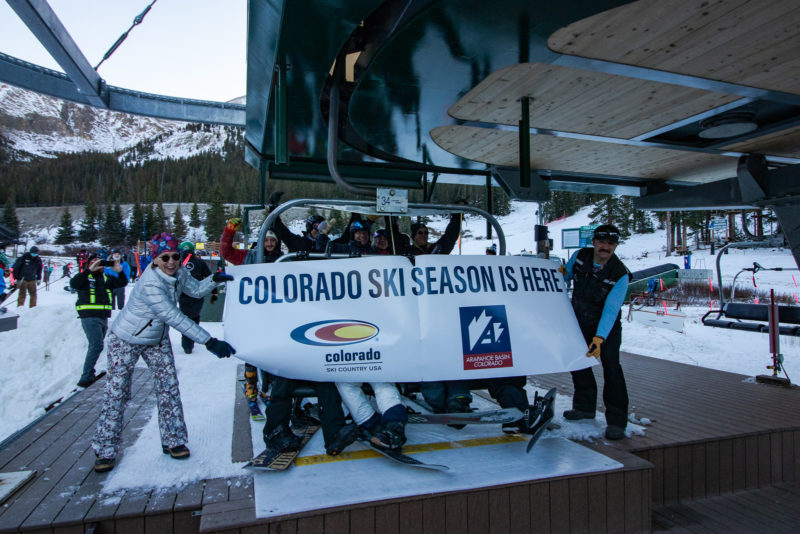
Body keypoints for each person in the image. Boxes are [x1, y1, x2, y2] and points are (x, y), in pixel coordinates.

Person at [91, 232, 235, 473]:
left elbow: (196, 290)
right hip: (125, 339)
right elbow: (173, 316)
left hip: (155, 337)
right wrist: (208, 341)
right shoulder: (150, 284)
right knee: (117, 392)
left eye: (175, 257)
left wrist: (215, 279)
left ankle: (174, 440)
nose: (171, 262)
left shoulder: (179, 272)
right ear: (155, 260)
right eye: (165, 257)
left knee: (168, 387)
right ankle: (105, 449)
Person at [560, 224, 631, 440]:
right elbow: (565, 276)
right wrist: (557, 273)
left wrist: (599, 338)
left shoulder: (620, 274)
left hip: (605, 327)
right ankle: (584, 407)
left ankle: (617, 421)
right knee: (579, 363)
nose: (605, 247)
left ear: (615, 246)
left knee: (612, 369)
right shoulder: (581, 256)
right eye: (601, 242)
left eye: (610, 244)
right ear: (594, 242)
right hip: (580, 320)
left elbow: (611, 310)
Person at [405, 215, 473, 415]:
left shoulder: (436, 250)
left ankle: (458, 397)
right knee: (426, 355)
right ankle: (437, 399)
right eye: (420, 233)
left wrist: (456, 217)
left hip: (437, 309)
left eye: (426, 233)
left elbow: (450, 237)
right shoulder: (405, 252)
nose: (424, 236)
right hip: (414, 309)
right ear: (412, 236)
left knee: (448, 352)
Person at [71, 250, 129, 388]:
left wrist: (119, 271)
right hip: (89, 316)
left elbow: (122, 282)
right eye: (94, 263)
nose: (99, 266)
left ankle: (89, 373)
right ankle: (85, 377)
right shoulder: (84, 277)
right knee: (96, 345)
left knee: (97, 344)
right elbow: (74, 284)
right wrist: (88, 271)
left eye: (101, 263)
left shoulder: (105, 278)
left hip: (103, 316)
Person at [176, 241, 212, 354]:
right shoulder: (200, 262)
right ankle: (192, 339)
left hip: (183, 296)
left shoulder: (178, 263)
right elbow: (209, 277)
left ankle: (187, 344)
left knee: (185, 319)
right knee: (195, 317)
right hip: (198, 294)